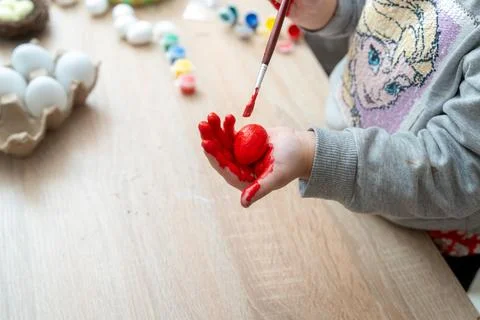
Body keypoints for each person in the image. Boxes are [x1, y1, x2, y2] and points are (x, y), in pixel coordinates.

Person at [198, 0, 480, 290]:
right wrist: (323, 9)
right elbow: (380, 14)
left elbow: (461, 169)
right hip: (347, 179)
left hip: (430, 235)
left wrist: (313, 155)